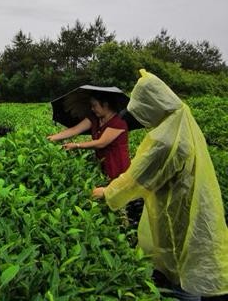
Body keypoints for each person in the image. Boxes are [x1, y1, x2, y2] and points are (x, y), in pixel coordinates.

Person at [92, 69, 228, 300]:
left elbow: (135, 180)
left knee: (183, 275)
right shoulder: (181, 122)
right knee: (193, 263)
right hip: (195, 209)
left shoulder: (164, 140)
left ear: (151, 105)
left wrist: (107, 192)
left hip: (180, 215)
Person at [47, 91, 131, 180]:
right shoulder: (95, 118)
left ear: (105, 105)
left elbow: (101, 143)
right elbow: (75, 130)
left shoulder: (118, 123)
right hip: (102, 165)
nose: (92, 109)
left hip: (118, 166)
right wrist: (53, 138)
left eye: (94, 105)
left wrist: (77, 145)